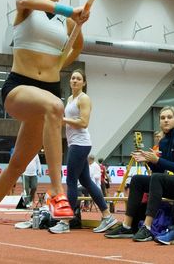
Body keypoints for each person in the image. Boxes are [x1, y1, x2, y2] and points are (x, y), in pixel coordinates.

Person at [0, 0, 89, 249]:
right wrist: (70, 11)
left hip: (47, 90)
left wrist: (78, 24)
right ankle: (58, 192)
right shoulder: (29, 8)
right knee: (54, 106)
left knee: (17, 165)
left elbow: (77, 46)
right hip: (19, 88)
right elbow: (22, 0)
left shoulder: (67, 22)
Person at [105, 106, 174, 241]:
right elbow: (159, 171)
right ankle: (127, 226)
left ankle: (147, 227)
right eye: (163, 118)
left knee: (156, 178)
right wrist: (150, 161)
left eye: (169, 117)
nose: (166, 120)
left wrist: (157, 159)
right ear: (159, 122)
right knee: (137, 180)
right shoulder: (163, 142)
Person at [50, 69, 117, 234]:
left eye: (78, 79)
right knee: (86, 181)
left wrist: (62, 119)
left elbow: (84, 122)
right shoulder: (70, 99)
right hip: (74, 143)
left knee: (71, 181)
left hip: (80, 144)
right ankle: (107, 216)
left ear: (83, 83)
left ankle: (65, 222)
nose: (74, 80)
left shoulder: (84, 98)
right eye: (72, 78)